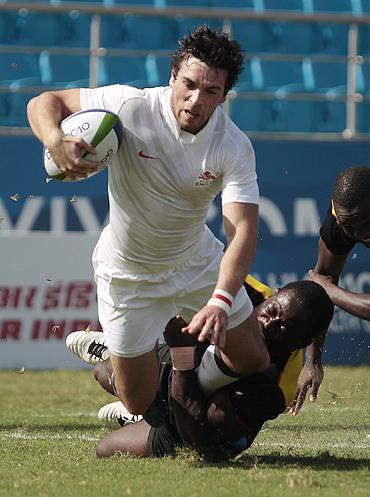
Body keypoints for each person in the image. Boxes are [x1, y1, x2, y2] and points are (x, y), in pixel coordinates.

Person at [27, 26, 270, 424]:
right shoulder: (130, 105)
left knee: (253, 358)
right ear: (172, 75)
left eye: (211, 91)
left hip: (194, 261)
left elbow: (242, 230)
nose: (195, 99)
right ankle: (114, 356)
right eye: (189, 84)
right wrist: (56, 141)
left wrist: (221, 300)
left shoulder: (233, 146)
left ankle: (172, 382)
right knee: (137, 403)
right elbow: (44, 101)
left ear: (225, 95)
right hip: (126, 273)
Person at [66, 278, 334, 459]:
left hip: (206, 427)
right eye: (272, 310)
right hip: (189, 361)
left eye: (284, 329)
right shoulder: (243, 289)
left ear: (300, 343)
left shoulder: (276, 386)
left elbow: (199, 434)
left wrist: (181, 354)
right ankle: (122, 365)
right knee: (103, 372)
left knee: (105, 449)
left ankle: (147, 412)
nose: (268, 324)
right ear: (272, 295)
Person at [292, 166, 370, 415]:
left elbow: (324, 285)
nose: (362, 234)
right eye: (351, 227)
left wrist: (327, 289)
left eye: (367, 223)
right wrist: (312, 360)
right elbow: (323, 282)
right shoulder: (339, 225)